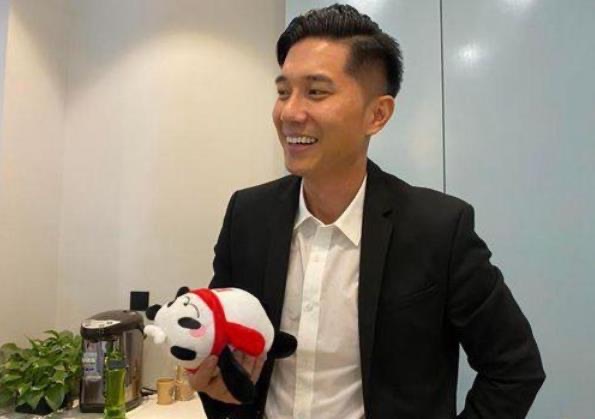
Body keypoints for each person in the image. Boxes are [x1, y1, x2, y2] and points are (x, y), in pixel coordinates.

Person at [188, 4, 545, 418]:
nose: (289, 112)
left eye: (316, 92)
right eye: (284, 92)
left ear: (377, 114)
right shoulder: (248, 216)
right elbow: (220, 346)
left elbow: (514, 367)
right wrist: (215, 385)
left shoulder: (437, 229)